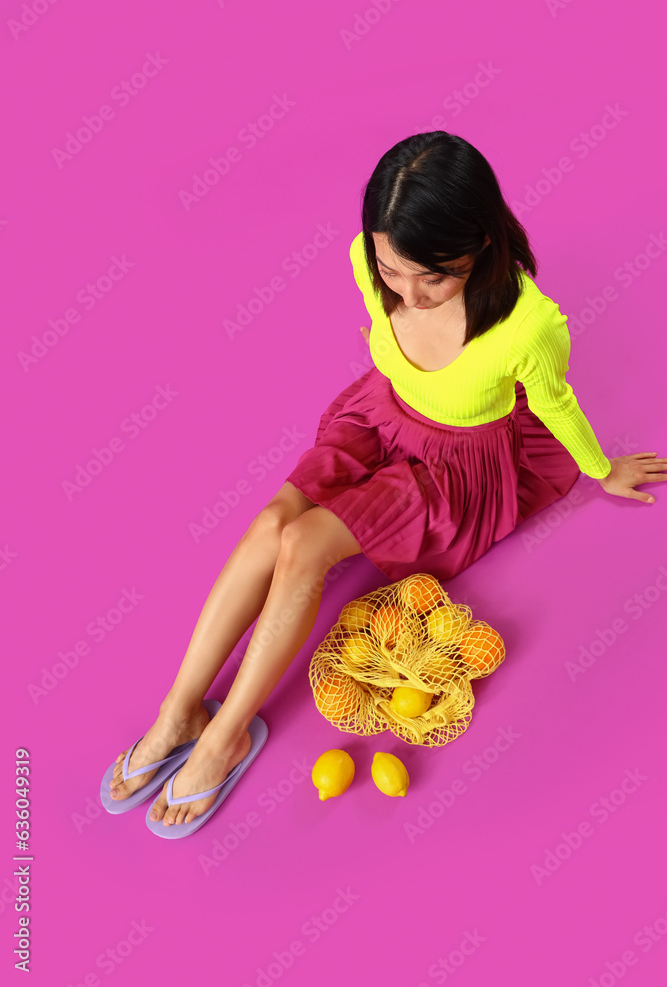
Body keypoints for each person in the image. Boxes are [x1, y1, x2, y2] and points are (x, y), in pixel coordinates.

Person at [107, 131, 666, 830]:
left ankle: (222, 740)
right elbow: (390, 326)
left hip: (452, 467)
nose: (408, 293)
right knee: (272, 523)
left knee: (305, 544)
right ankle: (178, 712)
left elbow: (554, 402)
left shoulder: (528, 328)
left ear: (482, 244)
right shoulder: (366, 259)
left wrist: (600, 468)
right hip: (376, 419)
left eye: (434, 275)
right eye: (392, 270)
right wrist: (397, 291)